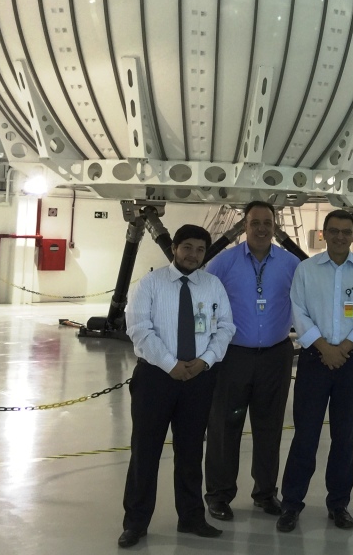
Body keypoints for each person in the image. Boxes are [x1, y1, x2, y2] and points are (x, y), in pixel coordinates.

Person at [118, 225, 236, 548]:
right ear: (174, 248)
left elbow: (226, 327)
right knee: (145, 452)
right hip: (156, 378)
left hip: (198, 378)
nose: (193, 255)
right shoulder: (150, 283)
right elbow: (139, 328)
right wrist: (170, 364)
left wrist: (205, 361)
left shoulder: (212, 286)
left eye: (200, 250)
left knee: (191, 451)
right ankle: (135, 523)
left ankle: (191, 517)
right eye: (187, 247)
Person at [276, 210, 353, 533]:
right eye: (333, 231)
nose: (339, 236)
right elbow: (299, 311)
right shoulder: (307, 270)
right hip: (314, 360)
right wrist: (324, 348)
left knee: (344, 437)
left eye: (345, 231)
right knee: (305, 435)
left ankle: (338, 504)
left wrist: (343, 349)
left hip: (351, 361)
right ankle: (291, 504)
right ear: (324, 233)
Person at [204, 201, 301, 521]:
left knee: (269, 427)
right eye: (255, 222)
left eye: (267, 223)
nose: (261, 228)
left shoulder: (290, 264)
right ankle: (219, 495)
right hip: (232, 356)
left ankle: (265, 492)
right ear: (245, 226)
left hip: (276, 355)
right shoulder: (224, 262)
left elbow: (305, 302)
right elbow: (204, 300)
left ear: (275, 226)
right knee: (224, 427)